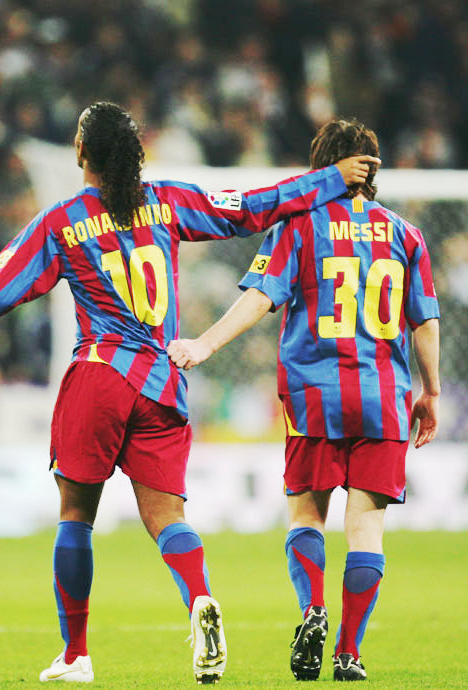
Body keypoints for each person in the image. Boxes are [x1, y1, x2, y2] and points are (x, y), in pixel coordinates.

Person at [0, 102, 378, 685]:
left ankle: (75, 655)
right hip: (163, 380)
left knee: (76, 515)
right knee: (168, 517)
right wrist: (331, 180)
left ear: (81, 152)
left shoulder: (63, 221)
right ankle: (200, 598)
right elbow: (253, 207)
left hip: (100, 374)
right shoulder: (168, 201)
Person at [167, 118, 440, 682]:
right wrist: (430, 390)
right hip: (384, 398)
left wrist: (205, 344)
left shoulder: (300, 225)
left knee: (307, 515)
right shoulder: (406, 235)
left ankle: (313, 608)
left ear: (323, 166)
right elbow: (426, 322)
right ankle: (348, 652)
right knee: (366, 529)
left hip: (315, 395)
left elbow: (260, 297)